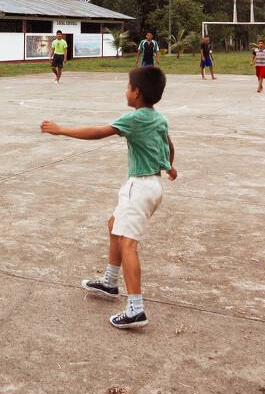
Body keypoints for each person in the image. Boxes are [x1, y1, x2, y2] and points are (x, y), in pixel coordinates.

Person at [40, 65, 175, 330]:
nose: (126, 91)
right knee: (114, 225)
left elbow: (99, 132)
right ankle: (110, 283)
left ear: (136, 93)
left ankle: (136, 309)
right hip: (151, 185)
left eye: (128, 87)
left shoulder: (134, 119)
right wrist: (169, 165)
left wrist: (61, 130)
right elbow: (168, 144)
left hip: (140, 186)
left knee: (128, 244)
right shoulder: (159, 118)